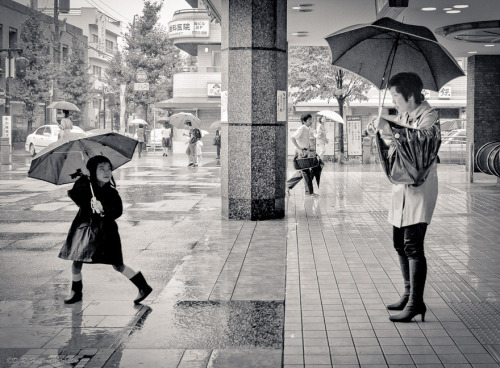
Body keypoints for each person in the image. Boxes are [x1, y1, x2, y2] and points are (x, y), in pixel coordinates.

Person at [374, 72, 440, 323]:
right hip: (401, 188)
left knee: (413, 246)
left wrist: (388, 126)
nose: (393, 100)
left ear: (411, 95)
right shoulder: (403, 116)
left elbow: (418, 141)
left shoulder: (429, 115)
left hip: (420, 188)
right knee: (399, 243)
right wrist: (380, 132)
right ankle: (408, 292)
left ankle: (416, 303)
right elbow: (395, 144)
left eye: (395, 95)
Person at [58, 155, 153, 305]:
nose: (106, 172)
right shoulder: (86, 186)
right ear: (93, 171)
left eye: (109, 168)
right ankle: (76, 291)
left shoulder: (112, 193)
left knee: (117, 264)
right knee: (77, 260)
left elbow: (118, 211)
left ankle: (143, 287)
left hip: (106, 232)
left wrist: (103, 210)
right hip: (85, 229)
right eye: (101, 169)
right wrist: (83, 185)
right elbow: (77, 199)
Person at [286, 113, 322, 197]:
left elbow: (305, 141)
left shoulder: (307, 129)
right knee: (306, 171)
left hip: (305, 153)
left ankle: (288, 185)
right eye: (309, 120)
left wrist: (309, 149)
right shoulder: (302, 128)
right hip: (301, 154)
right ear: (304, 121)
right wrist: (299, 149)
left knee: (302, 172)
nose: (311, 121)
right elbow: (293, 138)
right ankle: (309, 192)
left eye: (311, 119)